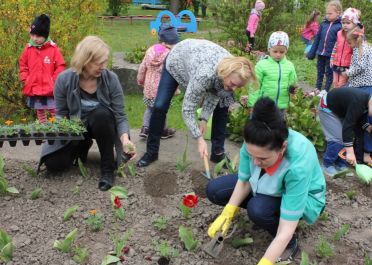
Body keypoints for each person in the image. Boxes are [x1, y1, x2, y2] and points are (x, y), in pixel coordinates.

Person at [207, 97, 326, 264]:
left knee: (258, 209)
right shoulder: (255, 141)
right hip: (265, 185)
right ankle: (265, 210)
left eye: (262, 158)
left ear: (282, 148)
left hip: (304, 198)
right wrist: (228, 211)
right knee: (214, 190)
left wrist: (266, 261)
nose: (255, 162)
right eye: (251, 155)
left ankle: (291, 243)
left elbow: (286, 229)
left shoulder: (298, 163)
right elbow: (244, 181)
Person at [137, 39, 256, 167]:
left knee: (223, 105)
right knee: (160, 105)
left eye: (237, 87)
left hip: (200, 60)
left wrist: (204, 118)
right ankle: (151, 152)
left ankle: (217, 154)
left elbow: (215, 93)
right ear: (225, 73)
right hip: (176, 60)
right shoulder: (204, 75)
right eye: (233, 84)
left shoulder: (235, 67)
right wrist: (199, 139)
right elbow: (187, 110)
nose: (234, 89)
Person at [38, 36, 136, 191]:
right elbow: (61, 114)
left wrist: (125, 141)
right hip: (77, 128)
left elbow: (120, 115)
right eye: (99, 63)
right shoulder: (64, 80)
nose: (104, 66)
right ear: (85, 60)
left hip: (104, 126)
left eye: (105, 61)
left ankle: (107, 169)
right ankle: (82, 145)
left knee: (101, 114)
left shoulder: (111, 79)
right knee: (54, 164)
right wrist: (56, 131)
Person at [19, 14, 66, 123]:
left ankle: (58, 130)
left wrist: (55, 81)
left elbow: (60, 66)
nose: (34, 38)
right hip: (35, 86)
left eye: (38, 36)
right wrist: (25, 79)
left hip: (50, 88)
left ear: (45, 36)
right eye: (32, 35)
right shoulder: (28, 49)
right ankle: (43, 130)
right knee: (39, 109)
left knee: (54, 109)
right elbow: (23, 64)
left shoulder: (53, 49)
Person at [137, 23, 179, 139]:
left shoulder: (150, 50)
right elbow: (173, 75)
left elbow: (142, 67)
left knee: (150, 109)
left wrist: (141, 80)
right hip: (163, 90)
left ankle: (145, 128)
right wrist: (175, 90)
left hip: (149, 89)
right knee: (162, 110)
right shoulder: (170, 55)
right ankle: (163, 130)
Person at [319, 87, 372, 166]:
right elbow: (348, 127)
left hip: (340, 110)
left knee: (346, 139)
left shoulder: (367, 102)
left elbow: (360, 116)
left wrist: (367, 126)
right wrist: (350, 152)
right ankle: (327, 165)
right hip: (327, 107)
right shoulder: (358, 102)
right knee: (337, 138)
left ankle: (341, 164)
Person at [246, 31, 297, 113]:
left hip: (281, 106)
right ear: (269, 49)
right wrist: (252, 104)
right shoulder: (261, 65)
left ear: (286, 50)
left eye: (281, 52)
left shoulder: (289, 66)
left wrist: (293, 89)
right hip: (264, 106)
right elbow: (254, 85)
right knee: (262, 125)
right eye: (275, 51)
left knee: (278, 125)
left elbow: (292, 82)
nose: (278, 55)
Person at [307, 0, 342, 92]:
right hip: (320, 52)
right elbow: (317, 39)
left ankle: (325, 90)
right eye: (327, 13)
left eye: (330, 13)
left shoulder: (340, 26)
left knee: (329, 73)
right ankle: (317, 88)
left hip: (331, 55)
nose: (327, 15)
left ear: (338, 13)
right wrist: (311, 53)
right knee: (320, 71)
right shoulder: (323, 24)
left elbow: (341, 43)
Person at [331, 7, 362, 88]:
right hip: (336, 63)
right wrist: (332, 59)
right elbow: (335, 47)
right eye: (343, 23)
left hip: (346, 66)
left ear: (354, 23)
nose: (345, 25)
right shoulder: (339, 33)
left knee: (341, 84)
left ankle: (340, 99)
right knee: (335, 83)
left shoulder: (355, 36)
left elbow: (357, 52)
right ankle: (335, 98)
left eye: (348, 23)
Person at [342, 27, 372, 94]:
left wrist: (348, 73)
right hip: (367, 83)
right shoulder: (366, 47)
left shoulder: (361, 50)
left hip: (362, 84)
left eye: (349, 43)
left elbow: (360, 67)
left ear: (356, 40)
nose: (349, 45)